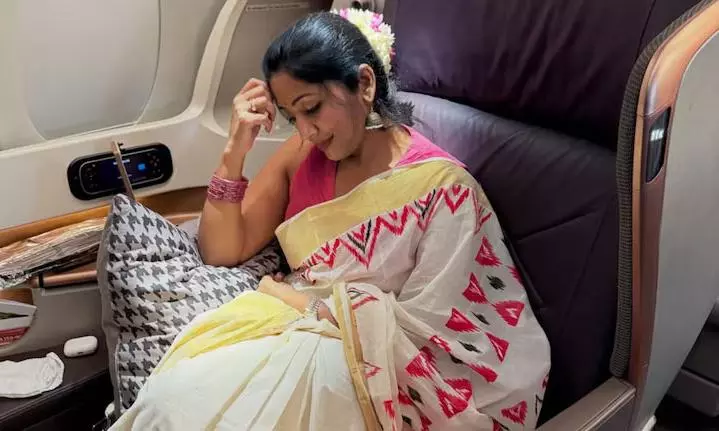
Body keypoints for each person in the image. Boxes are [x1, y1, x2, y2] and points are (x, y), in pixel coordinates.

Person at [112, 10, 550, 431]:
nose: (306, 131)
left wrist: (298, 300)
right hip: (284, 330)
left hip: (369, 371)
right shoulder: (303, 156)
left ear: (364, 83)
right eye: (292, 118)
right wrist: (234, 152)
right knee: (172, 403)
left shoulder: (444, 189)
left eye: (312, 108)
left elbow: (437, 337)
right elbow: (221, 251)